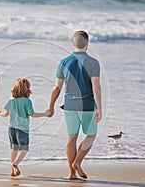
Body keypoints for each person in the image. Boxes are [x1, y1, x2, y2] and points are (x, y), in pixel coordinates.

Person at [48, 31, 102, 180]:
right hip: (87, 106)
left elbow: (56, 87)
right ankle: (77, 162)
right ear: (87, 43)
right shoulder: (93, 62)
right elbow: (96, 86)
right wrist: (99, 107)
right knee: (90, 136)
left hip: (70, 106)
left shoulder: (64, 62)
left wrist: (51, 106)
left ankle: (71, 174)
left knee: (71, 138)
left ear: (73, 44)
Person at [0, 78, 51, 176]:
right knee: (24, 149)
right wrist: (44, 114)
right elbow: (32, 114)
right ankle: (15, 163)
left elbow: (5, 114)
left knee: (14, 148)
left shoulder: (11, 101)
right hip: (22, 129)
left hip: (11, 129)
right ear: (27, 89)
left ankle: (12, 171)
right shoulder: (27, 101)